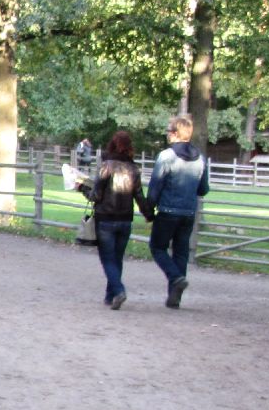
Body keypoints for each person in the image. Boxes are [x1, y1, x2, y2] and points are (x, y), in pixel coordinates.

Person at [78, 131, 153, 310]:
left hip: (106, 218)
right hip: (125, 219)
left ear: (112, 145)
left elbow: (96, 196)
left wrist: (82, 188)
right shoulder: (134, 169)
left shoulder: (106, 166)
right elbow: (139, 196)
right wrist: (149, 214)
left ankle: (118, 290)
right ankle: (110, 296)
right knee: (117, 258)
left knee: (107, 258)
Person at [146, 114, 210, 309]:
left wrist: (149, 209)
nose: (167, 134)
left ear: (175, 133)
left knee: (157, 247)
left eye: (169, 131)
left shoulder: (167, 156)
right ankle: (175, 297)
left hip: (167, 210)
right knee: (181, 253)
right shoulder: (200, 158)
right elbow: (203, 189)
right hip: (188, 213)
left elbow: (155, 186)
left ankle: (175, 277)